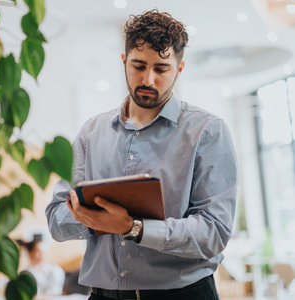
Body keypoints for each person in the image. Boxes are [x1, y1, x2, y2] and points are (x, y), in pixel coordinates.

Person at [45, 9, 237, 300]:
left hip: (183, 295)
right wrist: (94, 221)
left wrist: (132, 227)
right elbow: (57, 219)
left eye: (161, 69)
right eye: (138, 65)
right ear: (124, 61)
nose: (148, 79)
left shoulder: (208, 131)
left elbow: (214, 232)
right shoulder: (91, 133)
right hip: (103, 294)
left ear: (179, 68)